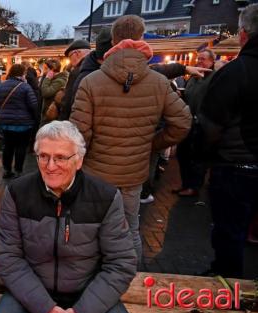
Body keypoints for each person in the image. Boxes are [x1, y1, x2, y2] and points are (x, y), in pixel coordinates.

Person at [0, 121, 138, 313]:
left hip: (87, 291)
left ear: (78, 160)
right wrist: (45, 308)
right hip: (32, 289)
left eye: (60, 157)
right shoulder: (18, 193)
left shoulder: (105, 197)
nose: (50, 166)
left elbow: (121, 262)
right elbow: (7, 255)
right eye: (43, 156)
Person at [70, 15, 192, 261]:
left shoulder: (91, 82)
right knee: (129, 230)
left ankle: (93, 283)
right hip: (133, 175)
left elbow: (78, 134)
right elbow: (183, 122)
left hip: (95, 175)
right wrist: (151, 144)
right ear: (142, 38)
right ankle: (130, 281)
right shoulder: (159, 82)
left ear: (113, 40)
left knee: (92, 231)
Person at [198, 3, 258, 278]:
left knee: (230, 232)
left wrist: (202, 158)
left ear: (244, 34)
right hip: (254, 163)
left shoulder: (236, 72)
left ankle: (226, 285)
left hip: (237, 166)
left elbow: (210, 126)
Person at [173, 49, 215, 197]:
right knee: (182, 153)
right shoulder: (193, 77)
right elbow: (190, 95)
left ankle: (194, 186)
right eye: (198, 59)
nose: (199, 61)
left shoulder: (214, 78)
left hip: (201, 125)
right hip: (187, 121)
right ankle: (185, 184)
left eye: (203, 59)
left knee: (197, 156)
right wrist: (181, 93)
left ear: (211, 61)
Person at [0, 64, 38, 179]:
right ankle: (18, 171)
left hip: (6, 123)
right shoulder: (25, 87)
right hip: (23, 124)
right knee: (21, 147)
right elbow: (33, 104)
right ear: (21, 74)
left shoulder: (1, 86)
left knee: (8, 147)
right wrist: (34, 119)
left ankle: (7, 170)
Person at [59, 39, 91, 120]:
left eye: (70, 56)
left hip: (78, 118)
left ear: (77, 53)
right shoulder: (99, 66)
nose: (70, 61)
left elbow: (68, 101)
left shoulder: (77, 72)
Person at [40, 59, 69, 125]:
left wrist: (47, 78)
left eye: (45, 68)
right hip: (47, 112)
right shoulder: (53, 78)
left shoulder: (60, 81)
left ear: (52, 70)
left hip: (52, 114)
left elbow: (45, 93)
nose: (43, 71)